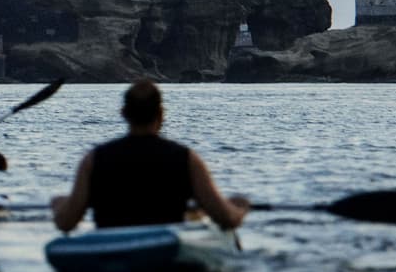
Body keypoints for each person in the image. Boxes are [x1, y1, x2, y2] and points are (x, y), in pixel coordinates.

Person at [50, 79, 249, 233]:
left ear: (124, 113)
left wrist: (58, 204)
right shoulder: (187, 159)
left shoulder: (93, 160)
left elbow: (66, 223)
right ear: (161, 114)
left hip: (112, 246)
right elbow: (226, 218)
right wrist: (240, 207)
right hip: (165, 246)